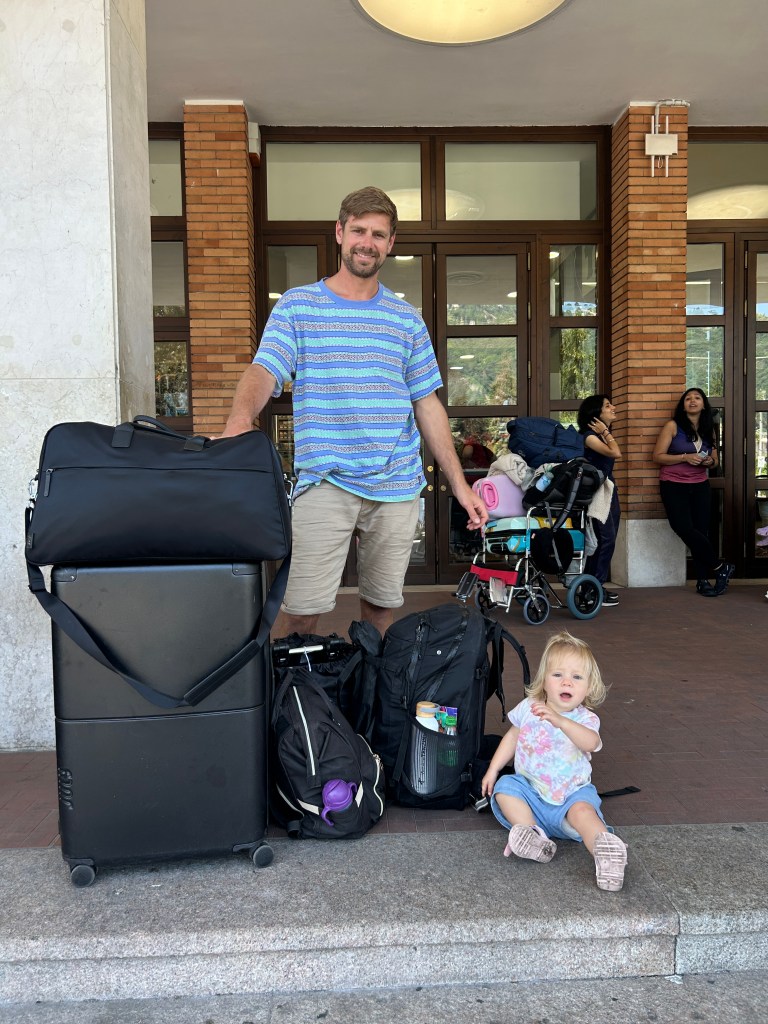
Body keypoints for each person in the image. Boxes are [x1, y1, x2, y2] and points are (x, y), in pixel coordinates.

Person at [221, 185, 488, 637]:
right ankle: (293, 701)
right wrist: (238, 422)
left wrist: (460, 486)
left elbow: (427, 403)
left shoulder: (406, 320)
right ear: (340, 233)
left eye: (379, 234)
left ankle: (370, 700)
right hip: (324, 482)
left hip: (396, 486)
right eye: (359, 230)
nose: (368, 241)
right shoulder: (299, 305)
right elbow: (264, 369)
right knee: (303, 611)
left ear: (390, 244)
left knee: (381, 610)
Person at [480, 631, 628, 892]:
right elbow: (513, 737)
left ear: (588, 687)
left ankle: (604, 853)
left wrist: (560, 720)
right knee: (505, 789)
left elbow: (590, 743)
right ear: (544, 681)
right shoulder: (529, 707)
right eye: (558, 675)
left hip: (571, 798)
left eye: (577, 677)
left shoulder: (585, 719)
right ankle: (532, 836)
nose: (566, 683)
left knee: (584, 813)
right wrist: (493, 769)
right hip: (532, 796)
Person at [652, 387, 734, 597]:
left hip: (699, 485)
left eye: (697, 398)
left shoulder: (709, 429)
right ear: (683, 405)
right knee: (682, 527)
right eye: (688, 398)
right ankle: (719, 567)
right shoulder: (672, 426)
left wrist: (709, 461)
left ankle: (703, 581)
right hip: (673, 484)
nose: (692, 401)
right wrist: (684, 457)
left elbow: (716, 461)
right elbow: (657, 456)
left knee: (700, 531)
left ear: (703, 404)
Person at [577, 395, 621, 607]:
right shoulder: (589, 436)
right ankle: (591, 589)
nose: (613, 407)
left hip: (609, 489)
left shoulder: (603, 435)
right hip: (596, 493)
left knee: (608, 540)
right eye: (607, 405)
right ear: (595, 415)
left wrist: (606, 432)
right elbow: (616, 453)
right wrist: (604, 431)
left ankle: (594, 585)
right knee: (605, 539)